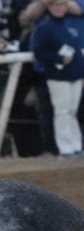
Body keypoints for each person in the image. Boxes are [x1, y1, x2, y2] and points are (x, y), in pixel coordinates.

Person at [31, 0, 84, 157]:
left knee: (72, 111)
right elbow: (39, 52)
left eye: (62, 5)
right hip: (57, 75)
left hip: (74, 74)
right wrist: (58, 59)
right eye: (56, 5)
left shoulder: (71, 26)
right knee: (62, 111)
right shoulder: (44, 28)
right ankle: (65, 147)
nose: (60, 8)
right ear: (49, 7)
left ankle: (76, 145)